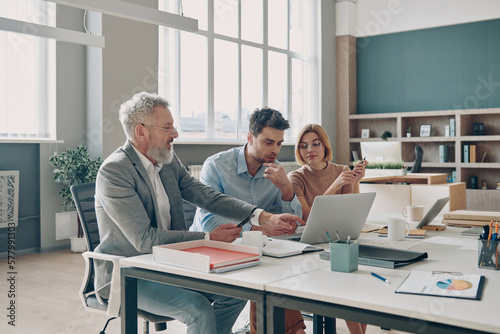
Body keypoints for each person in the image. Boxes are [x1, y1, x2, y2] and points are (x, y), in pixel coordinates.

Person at [93, 92, 303, 334]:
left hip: (170, 264)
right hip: (127, 274)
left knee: (236, 292)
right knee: (198, 309)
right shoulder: (115, 171)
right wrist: (208, 238)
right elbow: (145, 240)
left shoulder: (167, 162)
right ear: (141, 131)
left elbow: (206, 196)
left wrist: (264, 216)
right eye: (167, 127)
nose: (175, 134)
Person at [190, 107, 307, 334]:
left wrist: (286, 189)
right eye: (268, 142)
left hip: (256, 253)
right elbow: (210, 222)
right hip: (210, 250)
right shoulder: (216, 166)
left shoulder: (277, 170)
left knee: (285, 276)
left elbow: (295, 220)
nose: (275, 150)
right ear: (250, 137)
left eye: (280, 143)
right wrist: (256, 229)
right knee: (254, 285)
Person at [288, 123, 368, 334]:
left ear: (325, 146)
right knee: (346, 278)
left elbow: (351, 208)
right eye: (303, 146)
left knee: (361, 277)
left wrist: (355, 180)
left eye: (315, 144)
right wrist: (334, 186)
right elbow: (307, 217)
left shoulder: (341, 170)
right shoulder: (296, 177)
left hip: (341, 236)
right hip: (313, 240)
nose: (309, 150)